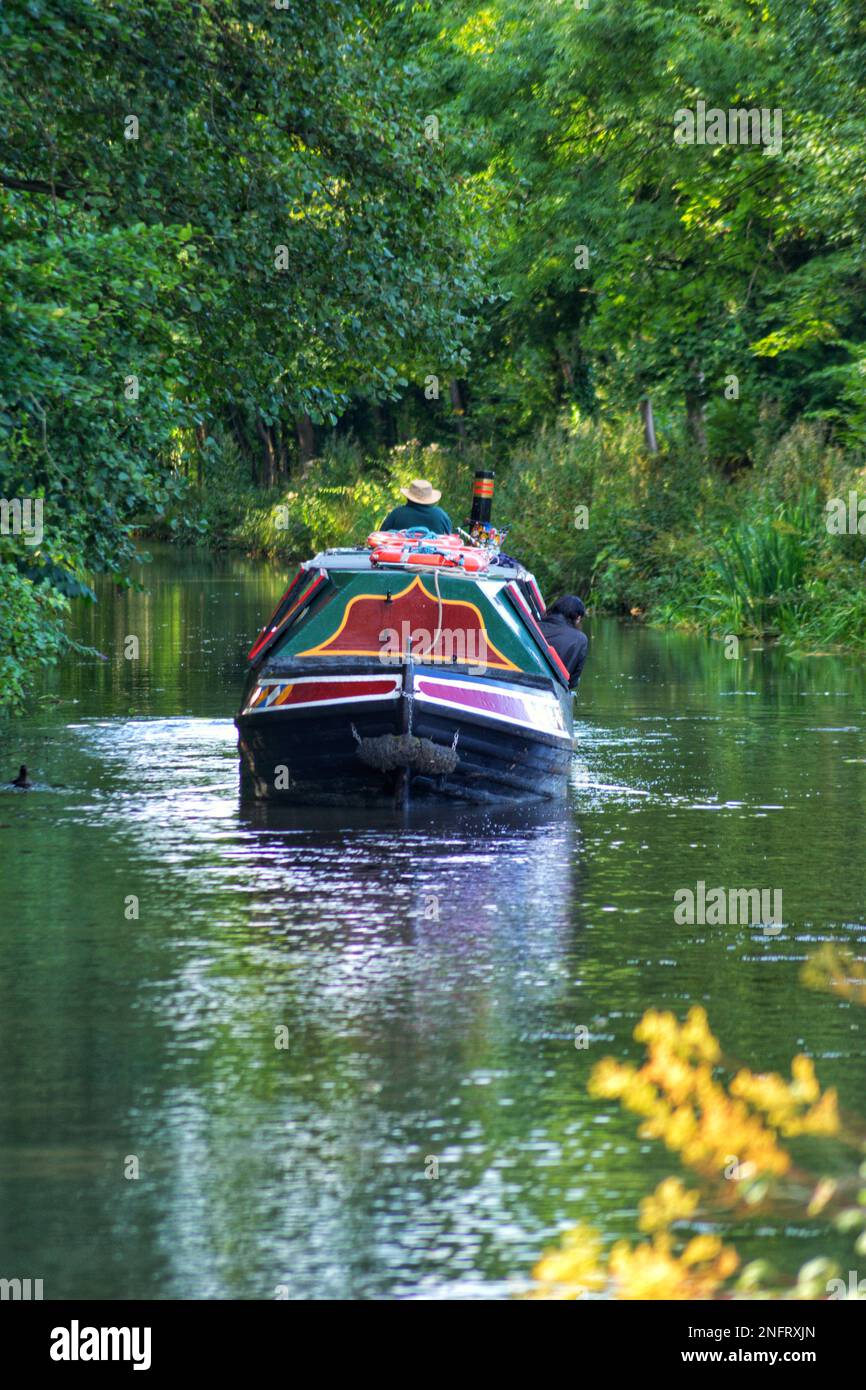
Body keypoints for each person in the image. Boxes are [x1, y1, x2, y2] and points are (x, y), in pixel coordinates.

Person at [538, 595, 588, 689]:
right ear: (578, 617)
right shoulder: (580, 639)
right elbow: (572, 682)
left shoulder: (533, 627)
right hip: (554, 690)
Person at [380, 479, 453, 535]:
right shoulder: (441, 515)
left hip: (398, 554)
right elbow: (449, 536)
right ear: (430, 499)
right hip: (434, 554)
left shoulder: (397, 513)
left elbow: (381, 535)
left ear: (408, 497)